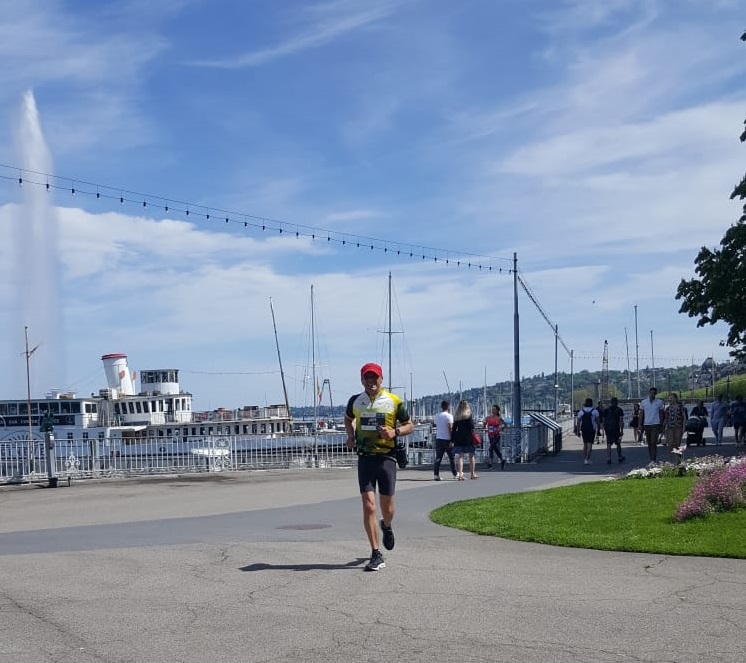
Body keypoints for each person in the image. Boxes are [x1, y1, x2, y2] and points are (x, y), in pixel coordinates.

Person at [344, 362, 414, 572]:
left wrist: (395, 433)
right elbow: (348, 419)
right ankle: (375, 553)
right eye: (367, 377)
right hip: (365, 459)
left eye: (374, 377)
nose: (371, 381)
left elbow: (410, 425)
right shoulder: (355, 401)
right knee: (368, 506)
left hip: (387, 459)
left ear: (381, 379)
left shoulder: (394, 401)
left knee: (388, 509)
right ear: (362, 380)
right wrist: (350, 435)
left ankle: (387, 525)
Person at [451, 400, 478, 480]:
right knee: (471, 456)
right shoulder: (469, 415)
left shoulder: (457, 416)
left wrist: (452, 440)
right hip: (468, 437)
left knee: (460, 457)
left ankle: (460, 475)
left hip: (459, 438)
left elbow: (454, 429)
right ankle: (472, 474)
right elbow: (472, 426)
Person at [638, 387, 665, 462]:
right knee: (649, 442)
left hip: (655, 424)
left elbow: (661, 414)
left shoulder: (659, 402)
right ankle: (651, 457)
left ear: (655, 394)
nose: (652, 394)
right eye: (651, 393)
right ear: (649, 393)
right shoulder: (644, 402)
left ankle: (653, 458)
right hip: (647, 424)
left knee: (653, 442)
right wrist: (639, 424)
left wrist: (661, 423)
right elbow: (641, 414)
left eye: (654, 393)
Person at [433, 400, 457, 480]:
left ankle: (436, 475)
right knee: (451, 458)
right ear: (448, 406)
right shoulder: (449, 416)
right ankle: (454, 474)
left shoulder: (437, 416)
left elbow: (437, 425)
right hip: (447, 439)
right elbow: (450, 428)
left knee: (438, 458)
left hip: (439, 438)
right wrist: (452, 440)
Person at [602, 397, 625, 465]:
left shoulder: (606, 410)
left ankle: (609, 458)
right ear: (617, 402)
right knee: (618, 443)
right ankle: (619, 457)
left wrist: (605, 428)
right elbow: (621, 421)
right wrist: (621, 430)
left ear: (611, 402)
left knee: (608, 443)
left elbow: (603, 421)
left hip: (608, 429)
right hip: (616, 429)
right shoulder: (619, 410)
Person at [576, 397, 599, 465]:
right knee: (590, 444)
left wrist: (578, 431)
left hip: (584, 429)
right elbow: (598, 421)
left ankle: (585, 458)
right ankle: (587, 459)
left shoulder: (581, 411)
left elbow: (578, 422)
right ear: (591, 404)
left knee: (585, 444)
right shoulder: (595, 411)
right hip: (592, 429)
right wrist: (598, 430)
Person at [664, 393, 686, 462]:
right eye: (669, 398)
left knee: (677, 444)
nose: (670, 399)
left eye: (672, 398)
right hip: (670, 427)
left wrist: (684, 427)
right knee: (670, 443)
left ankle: (679, 460)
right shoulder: (667, 408)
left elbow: (684, 417)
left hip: (678, 427)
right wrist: (663, 426)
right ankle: (671, 460)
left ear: (675, 399)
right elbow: (666, 418)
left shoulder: (680, 407)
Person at [484, 404, 506, 470]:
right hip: (490, 435)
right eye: (492, 409)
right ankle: (502, 460)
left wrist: (501, 427)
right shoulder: (488, 417)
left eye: (494, 409)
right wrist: (484, 424)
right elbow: (484, 423)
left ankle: (490, 464)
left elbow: (505, 424)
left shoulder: (499, 418)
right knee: (495, 449)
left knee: (491, 448)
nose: (493, 410)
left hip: (496, 435)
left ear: (497, 411)